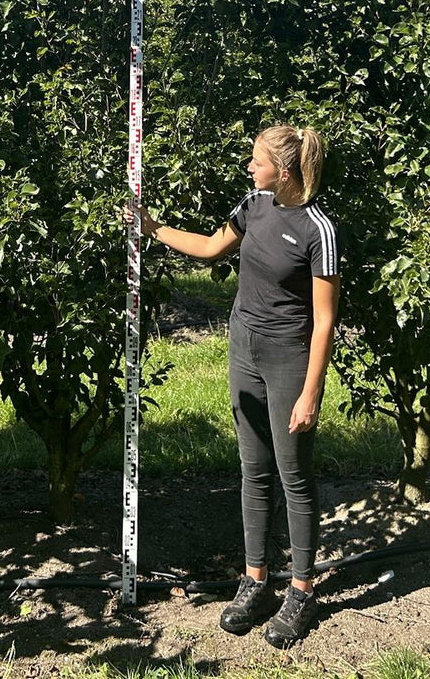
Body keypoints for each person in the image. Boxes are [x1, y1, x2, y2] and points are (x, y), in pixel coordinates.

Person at [131, 124, 340, 647]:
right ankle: (256, 581)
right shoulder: (253, 205)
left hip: (289, 359)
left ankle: (302, 591)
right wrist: (152, 229)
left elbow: (323, 322)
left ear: (284, 170)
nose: (250, 167)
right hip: (243, 349)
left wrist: (311, 391)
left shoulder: (319, 230)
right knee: (253, 469)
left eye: (257, 160)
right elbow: (208, 248)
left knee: (293, 474)